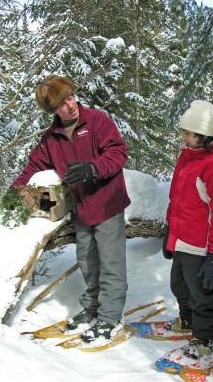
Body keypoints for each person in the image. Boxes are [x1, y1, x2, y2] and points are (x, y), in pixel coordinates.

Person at [8, 75, 131, 343]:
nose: (71, 104)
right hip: (83, 209)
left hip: (108, 204)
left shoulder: (97, 121)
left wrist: (94, 168)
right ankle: (92, 309)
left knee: (111, 265)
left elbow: (119, 153)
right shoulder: (51, 139)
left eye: (71, 96)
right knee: (88, 263)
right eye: (62, 103)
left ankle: (110, 318)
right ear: (52, 111)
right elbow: (32, 168)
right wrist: (14, 191)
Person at [162, 100, 213, 360]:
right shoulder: (186, 157)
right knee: (179, 286)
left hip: (200, 244)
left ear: (203, 136)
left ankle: (206, 338)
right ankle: (187, 320)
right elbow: (176, 198)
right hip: (181, 238)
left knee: (203, 294)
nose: (184, 137)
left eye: (189, 133)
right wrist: (169, 232)